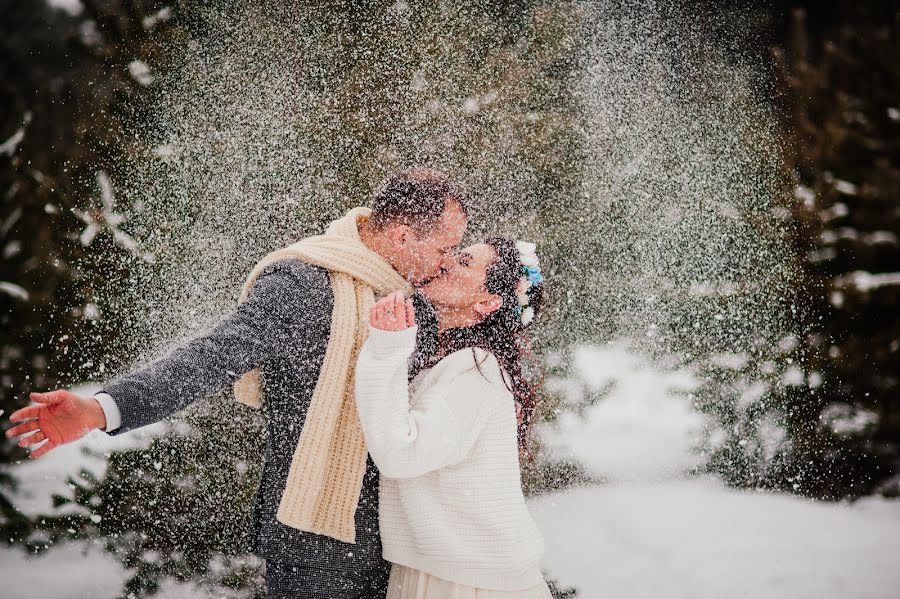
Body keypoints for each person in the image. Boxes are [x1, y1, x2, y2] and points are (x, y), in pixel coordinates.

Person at [5, 167, 468, 599]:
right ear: (403, 235)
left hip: (405, 538)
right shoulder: (303, 286)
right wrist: (103, 408)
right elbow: (210, 357)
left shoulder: (416, 294)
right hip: (319, 544)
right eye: (446, 248)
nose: (450, 263)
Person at [355, 237, 552, 598]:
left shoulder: (477, 372)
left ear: (487, 302)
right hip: (446, 571)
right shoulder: (447, 360)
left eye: (463, 262)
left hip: (468, 582)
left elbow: (400, 454)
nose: (445, 263)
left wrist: (385, 351)